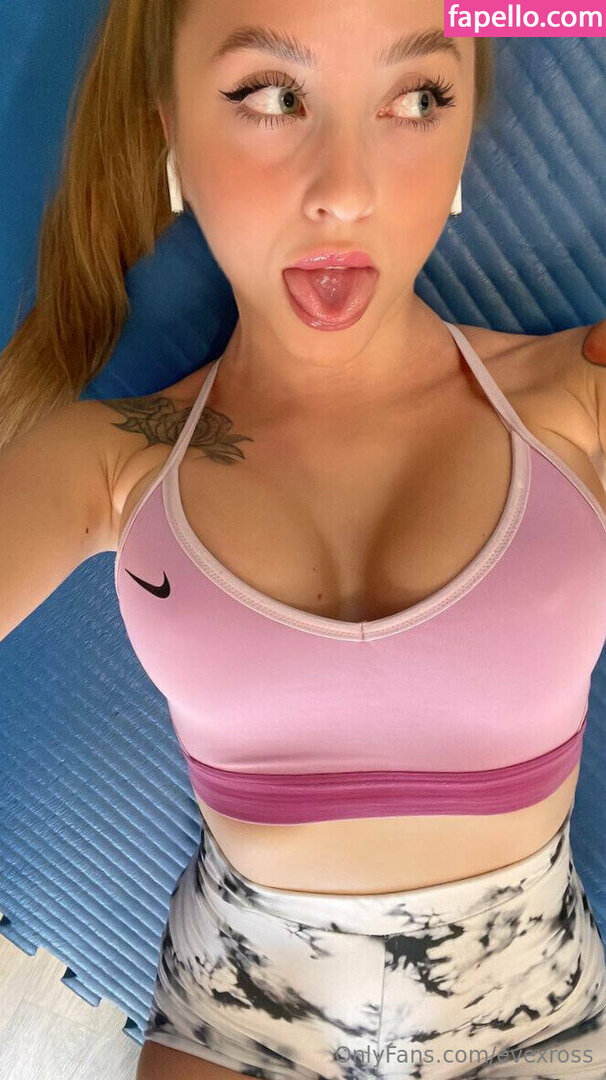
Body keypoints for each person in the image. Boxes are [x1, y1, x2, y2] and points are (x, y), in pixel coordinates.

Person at [2, 2, 606, 1078]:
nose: (347, 191)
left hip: (537, 1019)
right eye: (273, 96)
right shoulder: (114, 456)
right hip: (236, 1017)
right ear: (170, 127)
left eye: (416, 98)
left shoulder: (579, 400)